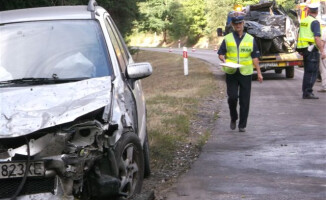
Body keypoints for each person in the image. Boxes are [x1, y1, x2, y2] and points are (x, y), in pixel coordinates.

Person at [218, 12, 263, 133]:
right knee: (232, 98)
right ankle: (234, 117)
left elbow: (255, 57)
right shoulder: (227, 39)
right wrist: (223, 59)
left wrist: (259, 73)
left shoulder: (250, 39)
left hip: (245, 73)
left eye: (240, 23)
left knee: (244, 100)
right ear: (232, 24)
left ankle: (242, 125)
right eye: (235, 23)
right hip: (231, 72)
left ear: (243, 24)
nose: (238, 25)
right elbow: (220, 53)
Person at [297, 3, 326, 99]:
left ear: (309, 11)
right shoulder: (315, 22)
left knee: (307, 72)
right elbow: (317, 38)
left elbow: (300, 35)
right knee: (312, 72)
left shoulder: (304, 21)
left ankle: (306, 91)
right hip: (312, 49)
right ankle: (308, 92)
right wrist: (322, 51)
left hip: (305, 49)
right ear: (317, 12)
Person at [318, 24, 326, 92]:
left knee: (323, 70)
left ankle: (324, 86)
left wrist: (322, 52)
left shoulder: (324, 30)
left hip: (325, 54)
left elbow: (322, 43)